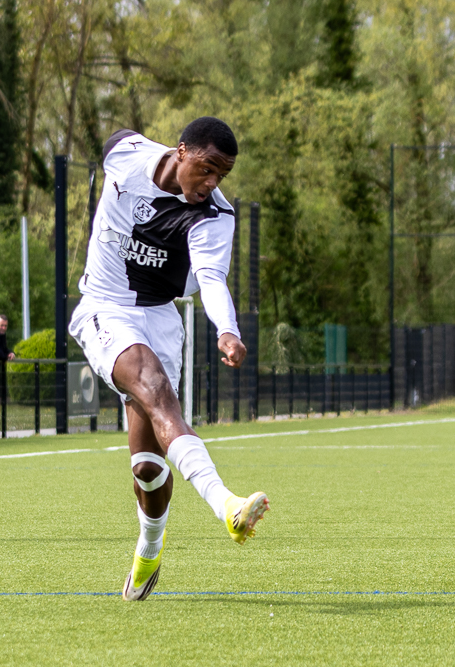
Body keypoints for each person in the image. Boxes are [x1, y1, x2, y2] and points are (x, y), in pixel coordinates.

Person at [68, 117, 269, 601]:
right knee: (156, 390)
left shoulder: (214, 217)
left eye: (222, 176)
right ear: (181, 151)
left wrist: (227, 330)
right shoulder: (126, 154)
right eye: (206, 169)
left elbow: (212, 279)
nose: (212, 183)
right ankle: (228, 506)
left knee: (147, 467)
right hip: (105, 307)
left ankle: (149, 549)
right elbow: (113, 136)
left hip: (160, 319)